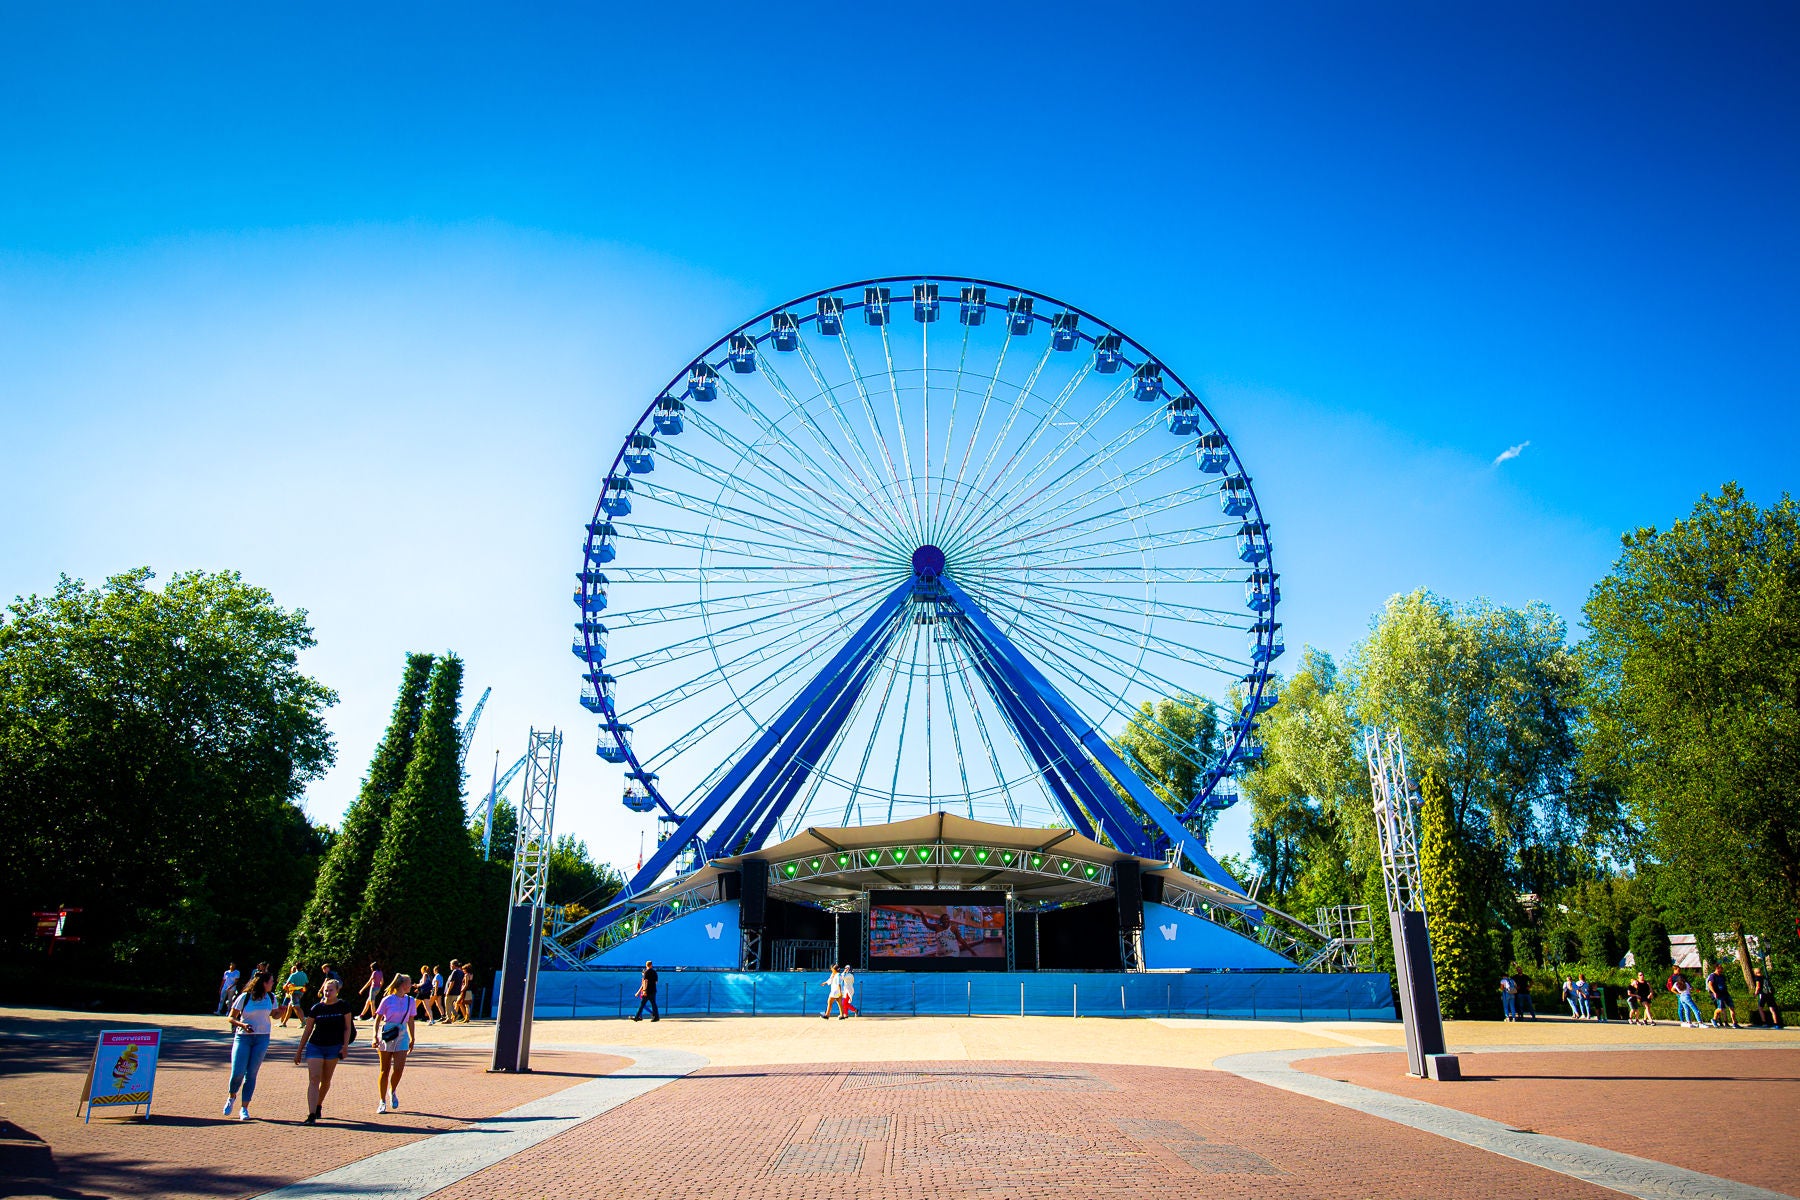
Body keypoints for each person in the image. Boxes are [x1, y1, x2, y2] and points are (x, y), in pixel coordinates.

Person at [295, 977, 355, 1124]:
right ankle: (311, 1114)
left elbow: (348, 1027)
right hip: (315, 1045)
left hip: (334, 1047)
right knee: (314, 1078)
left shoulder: (343, 1006)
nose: (327, 993)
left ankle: (318, 1104)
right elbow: (308, 1029)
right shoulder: (317, 1008)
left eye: (331, 990)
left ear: (337, 991)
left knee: (326, 1080)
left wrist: (345, 1046)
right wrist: (299, 1050)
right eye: (325, 990)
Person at [224, 971, 277, 1120]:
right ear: (264, 983)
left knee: (251, 1074)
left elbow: (274, 1014)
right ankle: (231, 1096)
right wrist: (242, 1024)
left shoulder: (271, 997)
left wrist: (280, 1012)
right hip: (243, 1037)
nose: (273, 983)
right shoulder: (245, 997)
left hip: (262, 1038)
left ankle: (244, 1108)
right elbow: (231, 1018)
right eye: (271, 981)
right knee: (237, 1072)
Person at [371, 974, 419, 1115]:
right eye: (409, 983)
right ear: (402, 984)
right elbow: (378, 1018)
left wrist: (412, 1037)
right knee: (384, 1069)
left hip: (402, 1033)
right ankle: (382, 1100)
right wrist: (374, 1036)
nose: (411, 985)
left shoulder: (410, 1001)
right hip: (388, 1032)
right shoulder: (387, 1000)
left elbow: (411, 1020)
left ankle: (393, 1090)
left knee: (399, 1068)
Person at [1705, 961, 1740, 1028]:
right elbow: (1710, 985)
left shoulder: (1722, 976)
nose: (1722, 969)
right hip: (1718, 994)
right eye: (1721, 967)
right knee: (1720, 1008)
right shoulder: (1713, 976)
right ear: (1717, 968)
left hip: (1725, 993)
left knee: (1731, 1007)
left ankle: (1734, 1023)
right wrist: (1714, 993)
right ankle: (1714, 1019)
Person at [279, 963, 309, 1028]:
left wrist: (285, 986)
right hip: (301, 992)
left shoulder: (293, 975)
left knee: (296, 1007)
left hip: (294, 992)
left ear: (296, 967)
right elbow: (306, 982)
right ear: (302, 967)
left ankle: (303, 1021)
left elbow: (287, 983)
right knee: (290, 1006)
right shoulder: (304, 974)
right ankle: (284, 1023)